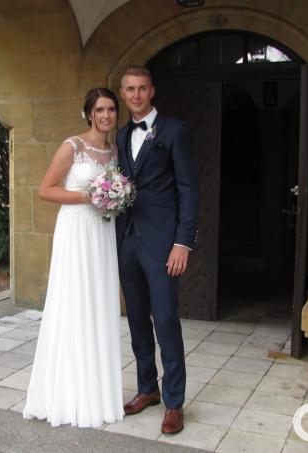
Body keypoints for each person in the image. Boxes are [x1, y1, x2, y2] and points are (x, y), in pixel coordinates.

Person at [22, 88, 124, 428]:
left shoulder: (114, 150)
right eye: (100, 109)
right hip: (77, 230)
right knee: (75, 304)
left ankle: (96, 391)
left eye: (111, 109)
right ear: (89, 114)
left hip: (102, 233)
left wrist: (113, 199)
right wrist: (89, 195)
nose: (106, 115)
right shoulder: (73, 146)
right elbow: (45, 189)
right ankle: (67, 393)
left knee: (99, 304)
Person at [115, 65, 199, 435]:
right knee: (135, 319)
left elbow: (188, 190)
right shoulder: (119, 136)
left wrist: (183, 242)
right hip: (127, 241)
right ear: (123, 93)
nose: (136, 94)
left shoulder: (175, 131)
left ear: (152, 91)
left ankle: (175, 403)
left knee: (165, 320)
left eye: (142, 88)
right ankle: (146, 388)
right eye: (130, 89)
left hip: (164, 242)